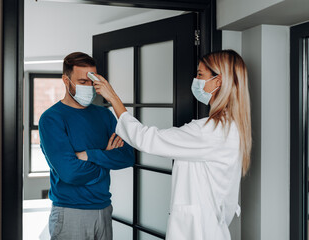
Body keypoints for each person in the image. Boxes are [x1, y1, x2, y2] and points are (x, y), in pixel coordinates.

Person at [83, 49, 251, 240]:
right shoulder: (228, 128)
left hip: (199, 232)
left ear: (218, 81)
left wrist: (113, 97)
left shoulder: (209, 131)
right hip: (211, 229)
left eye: (200, 74)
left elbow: (146, 138)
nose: (196, 79)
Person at [38, 52, 135, 240]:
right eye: (83, 82)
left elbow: (127, 157)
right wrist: (106, 158)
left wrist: (90, 155)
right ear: (66, 81)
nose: (89, 87)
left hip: (104, 209)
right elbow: (70, 173)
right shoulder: (51, 119)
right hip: (71, 212)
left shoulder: (105, 115)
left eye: (93, 81)